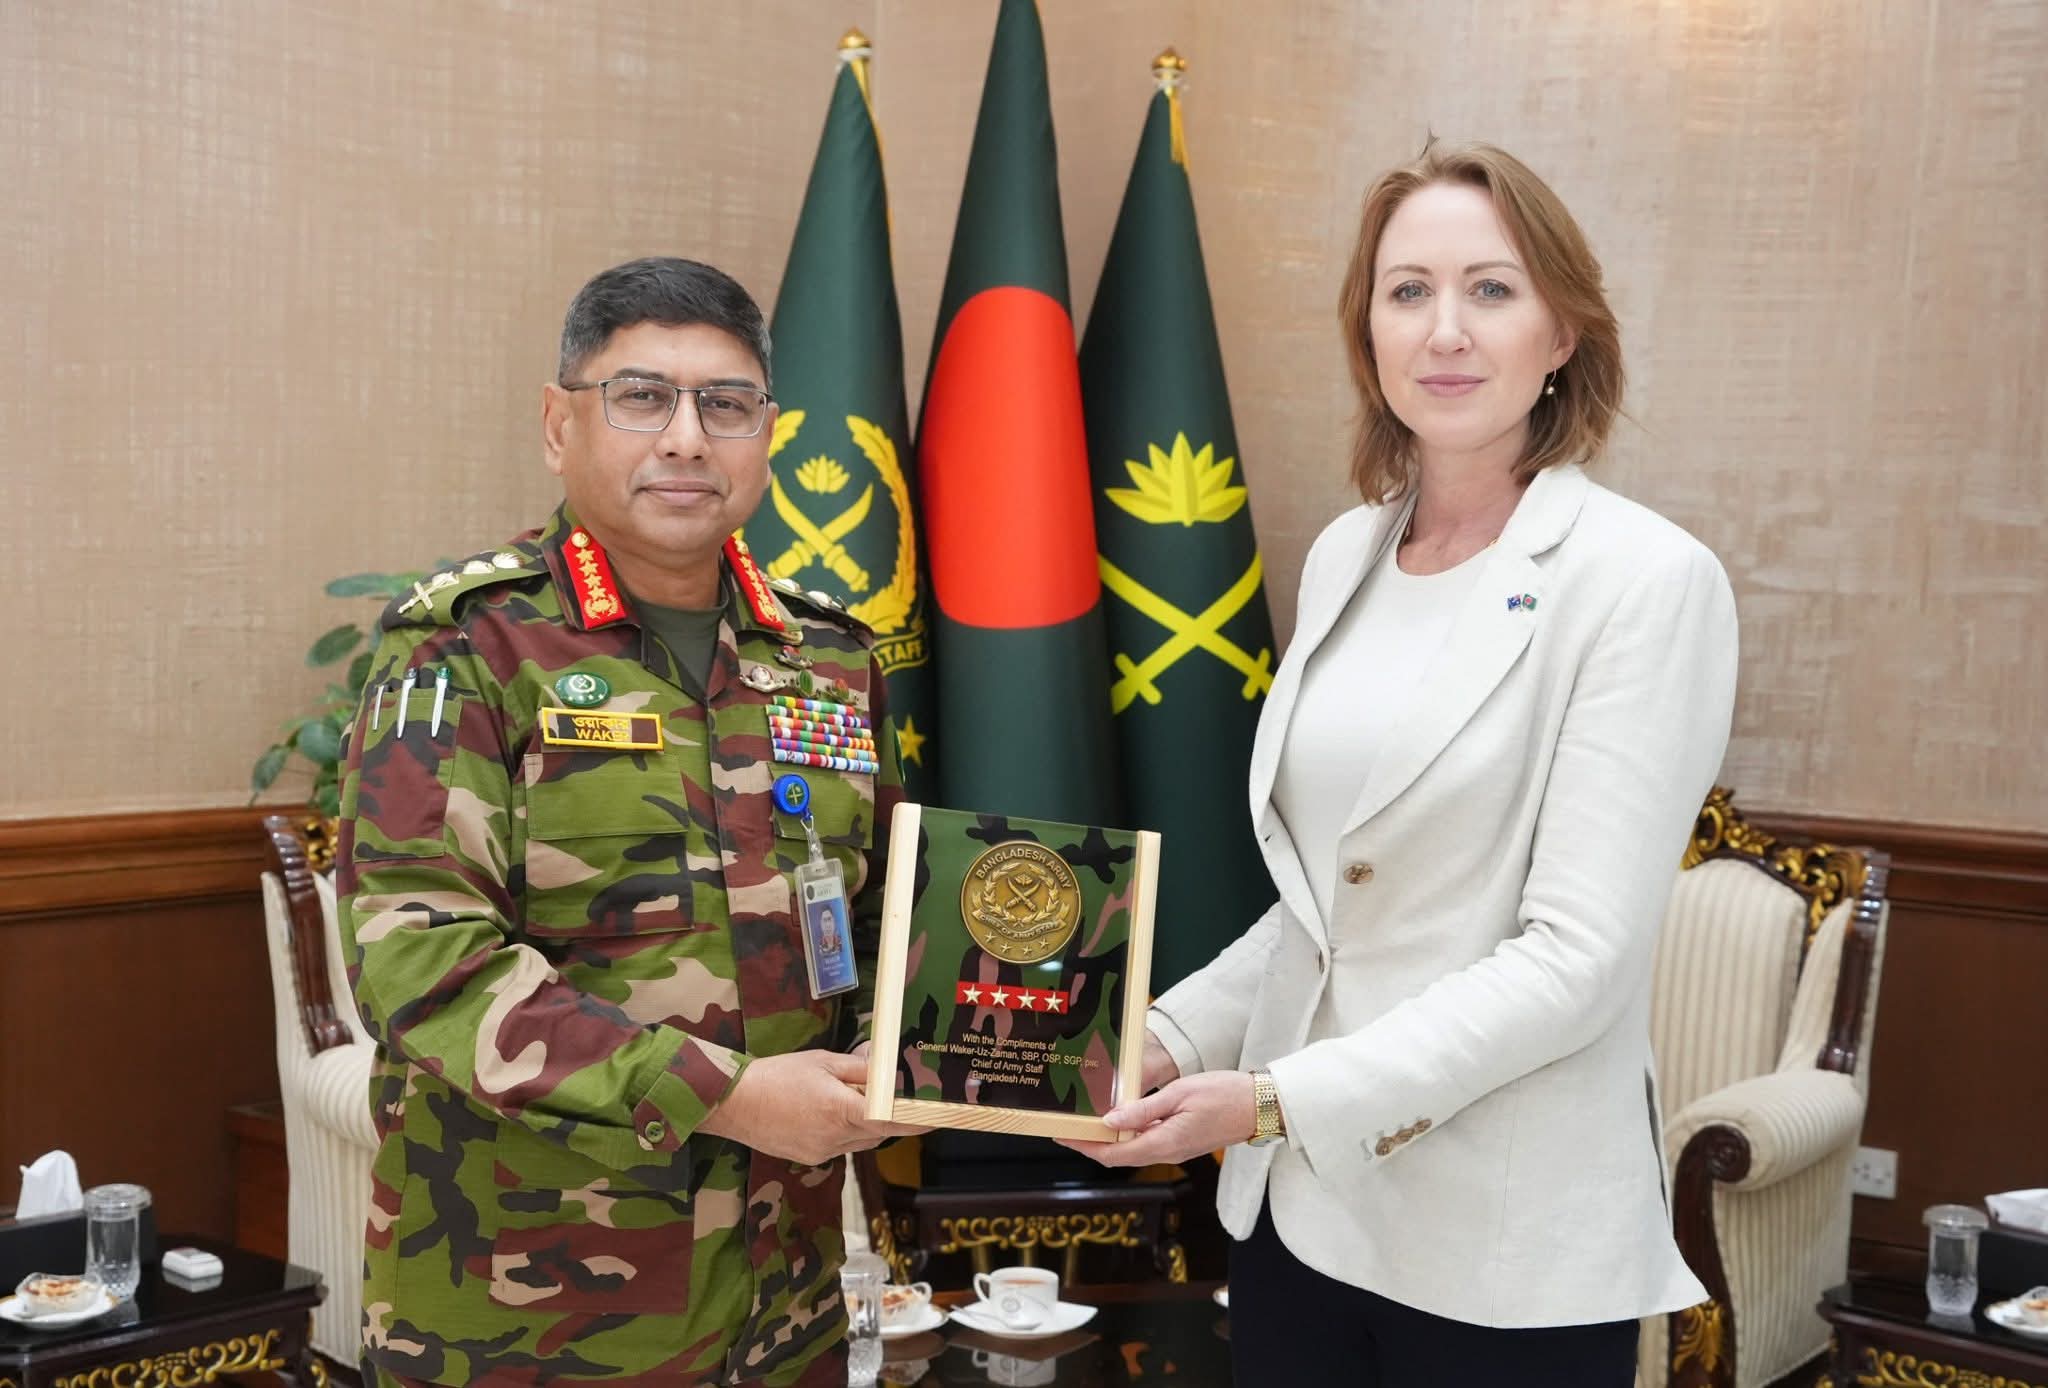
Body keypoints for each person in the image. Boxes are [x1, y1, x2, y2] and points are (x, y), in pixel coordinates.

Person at [1062, 143, 1739, 1384]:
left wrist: (1272, 1096)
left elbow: (1574, 960)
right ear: (1366, 329)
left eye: (1491, 289)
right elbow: (1326, 908)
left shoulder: (1645, 581)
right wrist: (1163, 1038)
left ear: (1561, 333)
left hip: (1499, 1249)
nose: (1445, 329)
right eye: (1407, 290)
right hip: (1297, 1219)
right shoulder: (1345, 555)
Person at [337, 256, 921, 1388]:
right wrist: (727, 1096)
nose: (688, 439)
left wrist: (958, 1053)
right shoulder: (466, 647)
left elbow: (878, 916)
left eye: (727, 404)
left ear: (768, 434)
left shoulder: (829, 655)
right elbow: (420, 965)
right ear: (559, 426)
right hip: (531, 1310)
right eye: (642, 397)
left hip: (786, 1300)